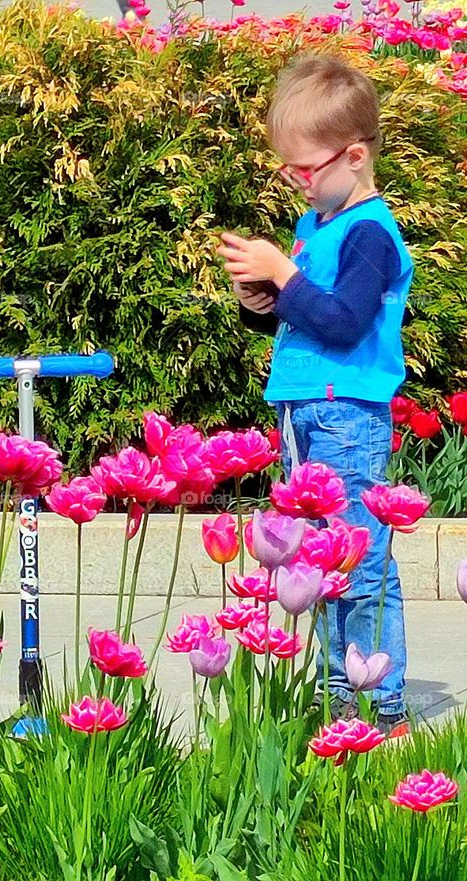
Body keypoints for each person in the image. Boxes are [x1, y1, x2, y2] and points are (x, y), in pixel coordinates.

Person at [216, 55, 413, 738]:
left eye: (304, 169)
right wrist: (260, 298)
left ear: (354, 156)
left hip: (348, 414)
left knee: (356, 560)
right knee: (318, 559)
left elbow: (344, 321)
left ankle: (383, 707)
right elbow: (305, 314)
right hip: (306, 407)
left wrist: (285, 274)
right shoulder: (318, 226)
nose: (295, 183)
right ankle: (339, 699)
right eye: (287, 169)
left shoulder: (369, 233)